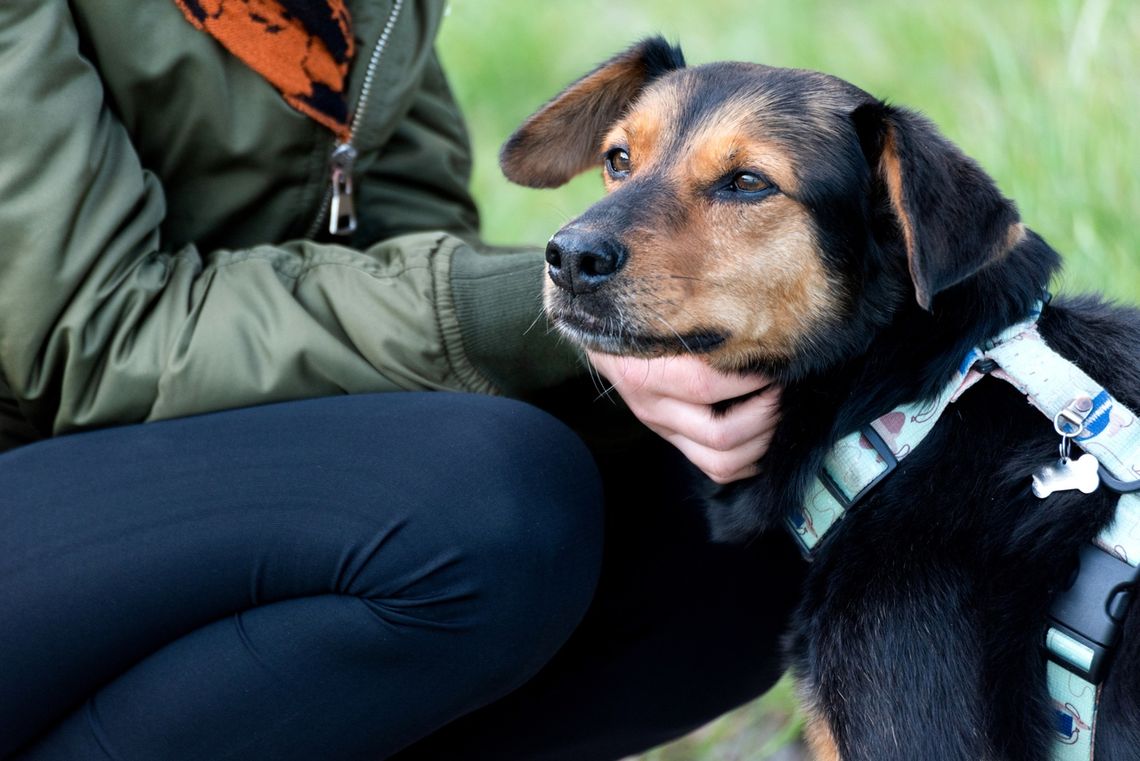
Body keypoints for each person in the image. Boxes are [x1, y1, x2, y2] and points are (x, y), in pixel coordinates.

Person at [0, 1, 801, 758]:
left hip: (175, 464)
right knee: (487, 499)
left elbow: (408, 245)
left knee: (716, 523)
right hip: (39, 466)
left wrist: (639, 353)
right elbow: (92, 332)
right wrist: (548, 322)